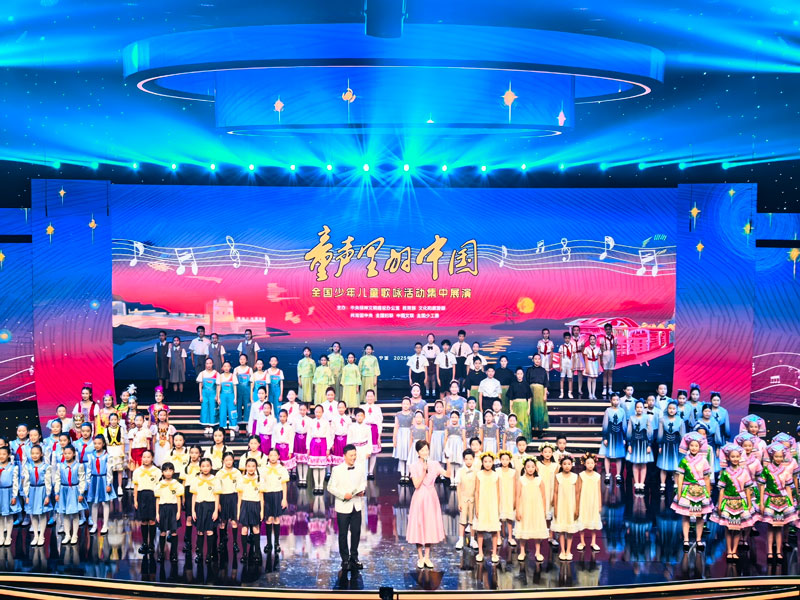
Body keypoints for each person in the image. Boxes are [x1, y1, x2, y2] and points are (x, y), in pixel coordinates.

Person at [711, 443, 756, 561]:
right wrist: (719, 504)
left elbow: (748, 489)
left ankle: (734, 550)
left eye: (737, 456)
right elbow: (721, 490)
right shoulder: (725, 473)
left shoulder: (744, 472)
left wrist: (749, 503)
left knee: (737, 528)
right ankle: (729, 551)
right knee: (728, 528)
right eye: (733, 457)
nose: (735, 459)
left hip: (740, 503)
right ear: (728, 458)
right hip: (727, 502)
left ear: (740, 457)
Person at [406, 440, 446, 568]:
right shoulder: (413, 466)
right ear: (418, 452)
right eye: (422, 450)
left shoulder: (434, 464)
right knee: (419, 526)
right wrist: (424, 471)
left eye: (426, 449)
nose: (425, 452)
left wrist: (449, 460)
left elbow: (448, 474)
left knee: (429, 526)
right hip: (419, 498)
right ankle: (420, 557)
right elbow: (416, 484)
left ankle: (427, 557)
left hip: (431, 497)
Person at [327, 445, 367, 570]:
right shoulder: (337, 470)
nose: (353, 457)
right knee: (343, 533)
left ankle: (354, 557)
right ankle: (345, 559)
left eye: (355, 455)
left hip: (356, 505)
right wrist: (343, 495)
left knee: (356, 532)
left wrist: (362, 491)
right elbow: (330, 487)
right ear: (344, 456)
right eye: (351, 455)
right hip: (343, 506)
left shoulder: (360, 468)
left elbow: (363, 482)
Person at [671, 432, 712, 552]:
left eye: (696, 446)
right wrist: (679, 492)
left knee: (700, 516)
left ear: (700, 447)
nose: (694, 448)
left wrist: (708, 493)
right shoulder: (684, 461)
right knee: (686, 516)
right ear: (688, 446)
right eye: (692, 445)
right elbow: (680, 478)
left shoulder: (704, 461)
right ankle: (686, 539)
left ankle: (699, 540)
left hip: (701, 490)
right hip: (687, 490)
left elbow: (707, 478)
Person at [759, 441, 798, 560]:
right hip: (770, 499)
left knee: (780, 527)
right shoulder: (766, 470)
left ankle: (779, 551)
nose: (778, 459)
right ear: (772, 456)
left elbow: (788, 487)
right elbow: (761, 486)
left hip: (783, 500)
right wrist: (761, 502)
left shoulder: (785, 470)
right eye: (776, 456)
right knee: (771, 527)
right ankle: (770, 551)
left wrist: (790, 502)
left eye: (781, 456)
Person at [515, 457, 548, 561]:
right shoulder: (521, 480)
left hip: (537, 508)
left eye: (532, 467)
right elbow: (518, 496)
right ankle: (522, 551)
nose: (530, 469)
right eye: (528, 467)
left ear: (535, 468)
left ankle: (538, 552)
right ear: (525, 468)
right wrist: (517, 510)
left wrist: (544, 510)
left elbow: (543, 496)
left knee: (537, 529)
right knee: (523, 528)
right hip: (524, 508)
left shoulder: (539, 480)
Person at [53, 444, 86, 545]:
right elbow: (57, 479)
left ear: (74, 454)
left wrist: (81, 493)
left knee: (75, 514)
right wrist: (57, 492)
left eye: (69, 453)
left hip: (74, 491)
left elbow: (82, 480)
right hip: (64, 491)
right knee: (65, 514)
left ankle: (75, 534)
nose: (67, 455)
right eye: (65, 453)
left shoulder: (79, 466)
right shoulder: (60, 466)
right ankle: (67, 534)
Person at [191, 457, 220, 564]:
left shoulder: (215, 479)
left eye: (207, 466)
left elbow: (217, 496)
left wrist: (216, 511)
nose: (205, 468)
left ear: (211, 467)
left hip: (210, 506)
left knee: (209, 530)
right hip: (199, 506)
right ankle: (199, 554)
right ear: (200, 467)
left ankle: (209, 554)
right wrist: (193, 511)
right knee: (200, 531)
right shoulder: (196, 479)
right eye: (203, 466)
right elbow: (194, 496)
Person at [474, 450, 501, 563]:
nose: (488, 464)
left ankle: (494, 553)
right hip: (482, 504)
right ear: (482, 462)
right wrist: (477, 507)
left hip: (492, 504)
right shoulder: (479, 474)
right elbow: (476, 492)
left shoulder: (496, 475)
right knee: (480, 530)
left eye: (490, 461)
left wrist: (498, 507)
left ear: (493, 462)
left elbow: (498, 492)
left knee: (494, 530)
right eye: (485, 461)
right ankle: (480, 552)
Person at [237, 457, 264, 565]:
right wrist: (238, 511)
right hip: (245, 504)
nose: (251, 468)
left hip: (255, 504)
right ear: (246, 467)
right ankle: (244, 553)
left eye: (253, 466)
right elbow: (239, 497)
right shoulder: (242, 479)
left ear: (256, 467)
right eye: (249, 466)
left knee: (255, 528)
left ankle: (257, 552)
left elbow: (261, 497)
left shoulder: (259, 479)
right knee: (244, 529)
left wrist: (262, 511)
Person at [22, 444, 51, 546]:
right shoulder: (28, 466)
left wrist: (47, 495)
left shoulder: (46, 467)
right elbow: (26, 481)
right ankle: (35, 535)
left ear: (41, 454)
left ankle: (42, 535)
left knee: (42, 513)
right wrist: (26, 495)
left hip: (42, 490)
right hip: (32, 491)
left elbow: (48, 482)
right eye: (32, 453)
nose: (34, 455)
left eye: (37, 453)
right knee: (33, 514)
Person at [133, 449, 161, 554]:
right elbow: (136, 486)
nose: (146, 459)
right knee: (143, 520)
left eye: (148, 457)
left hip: (153, 496)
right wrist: (135, 500)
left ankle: (151, 544)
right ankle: (144, 543)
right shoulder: (137, 471)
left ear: (152, 458)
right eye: (144, 457)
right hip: (141, 496)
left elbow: (159, 487)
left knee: (152, 520)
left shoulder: (157, 471)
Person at [86, 435, 116, 534]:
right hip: (94, 480)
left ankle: (105, 525)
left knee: (105, 503)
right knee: (94, 503)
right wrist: (88, 482)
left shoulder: (107, 456)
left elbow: (109, 471)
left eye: (99, 443)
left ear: (103, 444)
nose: (97, 445)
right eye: (95, 443)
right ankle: (94, 524)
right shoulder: (91, 456)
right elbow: (89, 469)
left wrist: (109, 483)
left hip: (104, 480)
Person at [551, 455, 579, 560]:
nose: (567, 466)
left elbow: (577, 493)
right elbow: (555, 492)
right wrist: (555, 508)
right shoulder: (558, 477)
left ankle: (568, 551)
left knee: (570, 530)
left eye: (569, 464)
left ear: (572, 465)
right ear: (561, 465)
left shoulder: (575, 477)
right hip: (561, 506)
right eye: (564, 464)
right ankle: (562, 551)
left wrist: (577, 509)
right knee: (561, 529)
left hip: (571, 506)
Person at [154, 461, 183, 562]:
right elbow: (157, 500)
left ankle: (174, 554)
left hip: (173, 508)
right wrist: (157, 513)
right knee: (163, 532)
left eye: (170, 470)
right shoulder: (159, 485)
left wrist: (178, 512)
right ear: (162, 472)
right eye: (166, 470)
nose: (168, 473)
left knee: (174, 531)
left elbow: (178, 499)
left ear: (173, 471)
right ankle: (161, 553)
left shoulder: (177, 484)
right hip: (163, 508)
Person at [216, 451, 242, 555]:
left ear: (233, 460)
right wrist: (218, 503)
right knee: (223, 521)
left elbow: (240, 488)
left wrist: (239, 502)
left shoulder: (237, 472)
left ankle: (235, 542)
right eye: (226, 460)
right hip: (223, 497)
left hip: (233, 497)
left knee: (234, 521)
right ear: (223, 461)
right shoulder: (219, 473)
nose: (228, 462)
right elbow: (217, 489)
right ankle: (222, 542)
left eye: (230, 460)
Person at [657, 401, 685, 494]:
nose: (671, 410)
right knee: (663, 465)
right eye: (670, 408)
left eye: (673, 409)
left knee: (676, 466)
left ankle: (676, 484)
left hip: (676, 445)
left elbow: (682, 435)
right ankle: (662, 484)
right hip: (665, 444)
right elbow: (660, 434)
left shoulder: (680, 420)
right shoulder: (662, 420)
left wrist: (683, 447)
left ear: (676, 410)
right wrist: (660, 445)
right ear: (667, 409)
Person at [576, 453, 602, 552]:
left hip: (594, 501)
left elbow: (599, 491)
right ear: (584, 464)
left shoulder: (597, 476)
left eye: (592, 463)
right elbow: (578, 491)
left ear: (595, 464)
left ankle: (593, 542)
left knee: (594, 521)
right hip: (584, 501)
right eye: (588, 463)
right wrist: (577, 503)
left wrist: (599, 504)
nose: (590, 465)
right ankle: (582, 541)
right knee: (582, 520)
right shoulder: (581, 475)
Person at [600, 393, 627, 485]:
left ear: (619, 400)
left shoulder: (622, 411)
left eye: (617, 400)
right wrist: (605, 437)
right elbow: (605, 424)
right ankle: (607, 474)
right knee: (607, 455)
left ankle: (618, 475)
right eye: (614, 400)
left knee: (618, 456)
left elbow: (624, 425)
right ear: (611, 400)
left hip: (619, 435)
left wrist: (624, 437)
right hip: (610, 435)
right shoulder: (608, 410)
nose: (615, 401)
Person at [626, 400, 653, 493]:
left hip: (644, 443)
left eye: (641, 407)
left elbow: (650, 431)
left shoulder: (646, 418)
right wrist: (629, 444)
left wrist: (649, 445)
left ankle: (642, 483)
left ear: (643, 408)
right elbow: (629, 431)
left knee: (643, 463)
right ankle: (636, 483)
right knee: (635, 463)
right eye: (637, 407)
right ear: (635, 408)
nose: (639, 409)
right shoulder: (631, 418)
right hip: (634, 443)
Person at [455, 449, 477, 550]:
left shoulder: (477, 471)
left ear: (473, 459)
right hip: (463, 499)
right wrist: (459, 501)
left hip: (473, 499)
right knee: (462, 520)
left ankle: (472, 539)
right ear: (464, 459)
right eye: (466, 459)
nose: (468, 461)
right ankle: (460, 539)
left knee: (472, 520)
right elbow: (458, 487)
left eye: (470, 459)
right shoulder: (460, 471)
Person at [308, 404, 332, 494]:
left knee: (321, 467)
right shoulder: (311, 422)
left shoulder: (326, 422)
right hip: (314, 444)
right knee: (315, 466)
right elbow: (309, 435)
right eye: (316, 412)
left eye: (319, 412)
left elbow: (328, 435)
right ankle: (316, 486)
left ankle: (321, 485)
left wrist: (328, 448)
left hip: (323, 444)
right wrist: (308, 447)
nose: (318, 414)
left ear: (322, 412)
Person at [0, 447, 20, 545]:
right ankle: (1, 536)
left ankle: (8, 536)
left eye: (4, 454)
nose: (1, 456)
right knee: (0, 516)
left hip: (8, 492)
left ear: (8, 455)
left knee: (9, 515)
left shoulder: (13, 468)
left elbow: (15, 482)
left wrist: (14, 496)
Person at [525, 354, 550, 435]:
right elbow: (527, 383)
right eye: (535, 359)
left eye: (539, 359)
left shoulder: (543, 370)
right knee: (532, 410)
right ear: (533, 360)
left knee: (540, 410)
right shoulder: (529, 370)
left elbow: (545, 384)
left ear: (540, 360)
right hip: (531, 391)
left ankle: (540, 430)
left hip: (540, 392)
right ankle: (533, 429)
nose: (537, 360)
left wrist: (545, 395)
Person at [497, 450, 517, 546]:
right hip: (500, 495)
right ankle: (498, 536)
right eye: (503, 459)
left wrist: (514, 499)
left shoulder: (513, 472)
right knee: (499, 516)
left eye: (507, 459)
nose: (505, 461)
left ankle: (510, 537)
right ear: (500, 460)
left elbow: (514, 486)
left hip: (509, 496)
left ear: (509, 460)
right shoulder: (497, 471)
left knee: (509, 517)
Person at [362, 389, 382, 478]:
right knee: (365, 451)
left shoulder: (377, 408)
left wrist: (379, 436)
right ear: (366, 397)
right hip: (364, 430)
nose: (369, 398)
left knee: (374, 452)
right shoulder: (362, 408)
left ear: (374, 397)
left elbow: (379, 423)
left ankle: (370, 472)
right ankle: (365, 472)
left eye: (371, 396)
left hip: (374, 430)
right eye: (368, 396)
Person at [197, 358, 219, 437]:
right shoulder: (202, 373)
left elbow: (218, 386)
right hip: (205, 394)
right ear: (205, 364)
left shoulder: (216, 373)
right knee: (205, 409)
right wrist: (200, 395)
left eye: (210, 363)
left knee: (213, 409)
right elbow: (200, 386)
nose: (208, 365)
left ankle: (212, 425)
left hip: (213, 393)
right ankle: (206, 426)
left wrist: (217, 395)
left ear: (212, 364)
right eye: (207, 363)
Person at [393, 397, 413, 484]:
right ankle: (402, 475)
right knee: (401, 456)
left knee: (408, 455)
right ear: (401, 404)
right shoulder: (398, 414)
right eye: (404, 404)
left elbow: (413, 427)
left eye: (407, 404)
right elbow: (396, 427)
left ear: (410, 405)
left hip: (409, 434)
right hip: (400, 435)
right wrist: (394, 439)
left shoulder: (412, 415)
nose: (405, 405)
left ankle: (407, 474)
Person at [233, 354, 253, 436]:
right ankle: (237, 423)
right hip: (238, 391)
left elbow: (252, 382)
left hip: (247, 391)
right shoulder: (236, 369)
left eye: (244, 359)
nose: (242, 360)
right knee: (238, 406)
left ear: (246, 360)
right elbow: (234, 382)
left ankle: (247, 423)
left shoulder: (249, 369)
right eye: (241, 359)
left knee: (247, 407)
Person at [444, 411, 464, 488]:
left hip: (458, 446)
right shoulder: (448, 427)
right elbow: (445, 438)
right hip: (450, 445)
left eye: (456, 417)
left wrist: (464, 449)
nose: (454, 419)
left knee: (458, 463)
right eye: (452, 417)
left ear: (458, 418)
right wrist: (445, 448)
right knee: (451, 463)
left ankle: (457, 480)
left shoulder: (462, 427)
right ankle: (452, 480)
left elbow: (464, 439)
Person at [428, 400, 448, 472]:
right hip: (435, 438)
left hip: (443, 437)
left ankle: (442, 472)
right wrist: (429, 441)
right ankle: (435, 472)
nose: (439, 409)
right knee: (435, 453)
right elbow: (430, 430)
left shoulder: (446, 418)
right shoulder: (432, 418)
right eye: (437, 407)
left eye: (440, 407)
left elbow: (448, 429)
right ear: (435, 408)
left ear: (443, 408)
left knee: (442, 454)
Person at [330, 401, 351, 467]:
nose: (341, 409)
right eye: (339, 407)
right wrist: (332, 443)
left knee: (345, 457)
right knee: (335, 459)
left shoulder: (348, 419)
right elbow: (332, 431)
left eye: (342, 407)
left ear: (345, 408)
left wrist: (349, 443)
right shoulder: (334, 418)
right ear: (337, 408)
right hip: (336, 440)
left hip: (345, 440)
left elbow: (350, 432)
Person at [582, 335, 601, 400]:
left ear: (595, 340)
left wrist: (599, 367)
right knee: (589, 379)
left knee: (594, 379)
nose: (592, 340)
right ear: (589, 340)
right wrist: (587, 367)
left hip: (595, 364)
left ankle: (593, 394)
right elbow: (586, 358)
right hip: (589, 364)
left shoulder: (598, 349)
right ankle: (590, 393)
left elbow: (599, 358)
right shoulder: (587, 349)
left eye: (593, 339)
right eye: (591, 339)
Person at [421, 333, 440, 399]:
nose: (430, 339)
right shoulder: (424, 347)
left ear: (434, 339)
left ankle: (434, 391)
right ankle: (427, 391)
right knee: (427, 378)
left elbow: (438, 356)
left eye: (432, 338)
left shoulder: (436, 347)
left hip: (434, 362)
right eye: (429, 338)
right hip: (426, 362)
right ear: (427, 339)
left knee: (433, 378)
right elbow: (422, 356)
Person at [600, 323, 616, 397]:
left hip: (611, 354)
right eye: (607, 329)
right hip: (605, 354)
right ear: (605, 330)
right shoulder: (602, 339)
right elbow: (601, 350)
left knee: (610, 373)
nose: (608, 331)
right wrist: (601, 360)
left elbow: (615, 349)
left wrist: (615, 359)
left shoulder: (614, 339)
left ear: (611, 330)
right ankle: (604, 389)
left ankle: (610, 389)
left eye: (609, 329)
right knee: (605, 372)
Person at [570, 325, 585, 399]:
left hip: (579, 355)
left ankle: (579, 389)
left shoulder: (582, 339)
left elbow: (583, 350)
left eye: (577, 330)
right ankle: (570, 389)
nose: (576, 331)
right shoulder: (570, 339)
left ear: (579, 331)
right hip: (572, 356)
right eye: (574, 330)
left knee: (580, 373)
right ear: (572, 331)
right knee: (571, 373)